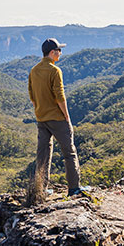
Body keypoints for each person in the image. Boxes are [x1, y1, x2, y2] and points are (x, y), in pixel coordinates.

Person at [28, 37, 84, 196]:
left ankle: (41, 189)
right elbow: (60, 96)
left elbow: (32, 96)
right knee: (69, 152)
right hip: (58, 119)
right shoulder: (55, 71)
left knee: (43, 154)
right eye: (59, 50)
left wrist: (41, 110)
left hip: (41, 118)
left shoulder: (34, 70)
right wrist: (67, 117)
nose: (60, 53)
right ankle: (74, 189)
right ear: (52, 52)